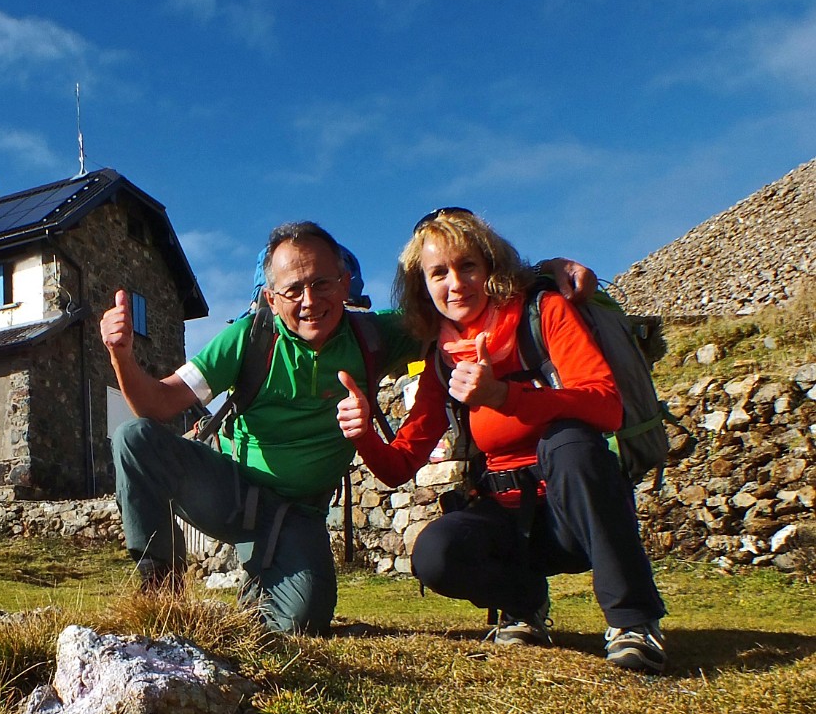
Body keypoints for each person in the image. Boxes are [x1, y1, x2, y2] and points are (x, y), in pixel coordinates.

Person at [102, 220, 595, 635]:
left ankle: (262, 583)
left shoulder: (374, 334)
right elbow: (157, 404)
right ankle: (160, 592)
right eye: (292, 290)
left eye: (321, 283)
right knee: (133, 437)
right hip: (232, 493)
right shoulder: (245, 339)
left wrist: (539, 274)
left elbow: (453, 301)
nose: (309, 300)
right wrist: (122, 356)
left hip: (297, 514)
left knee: (300, 626)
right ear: (272, 300)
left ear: (344, 283)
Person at [335, 208, 667, 671]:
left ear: (490, 267)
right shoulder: (440, 358)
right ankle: (525, 606)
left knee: (569, 442)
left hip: (579, 513)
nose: (455, 283)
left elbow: (605, 405)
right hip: (510, 519)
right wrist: (364, 433)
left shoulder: (544, 312)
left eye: (467, 265)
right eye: (438, 273)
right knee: (436, 554)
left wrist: (503, 395)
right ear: (422, 287)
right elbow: (398, 466)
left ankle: (633, 621)